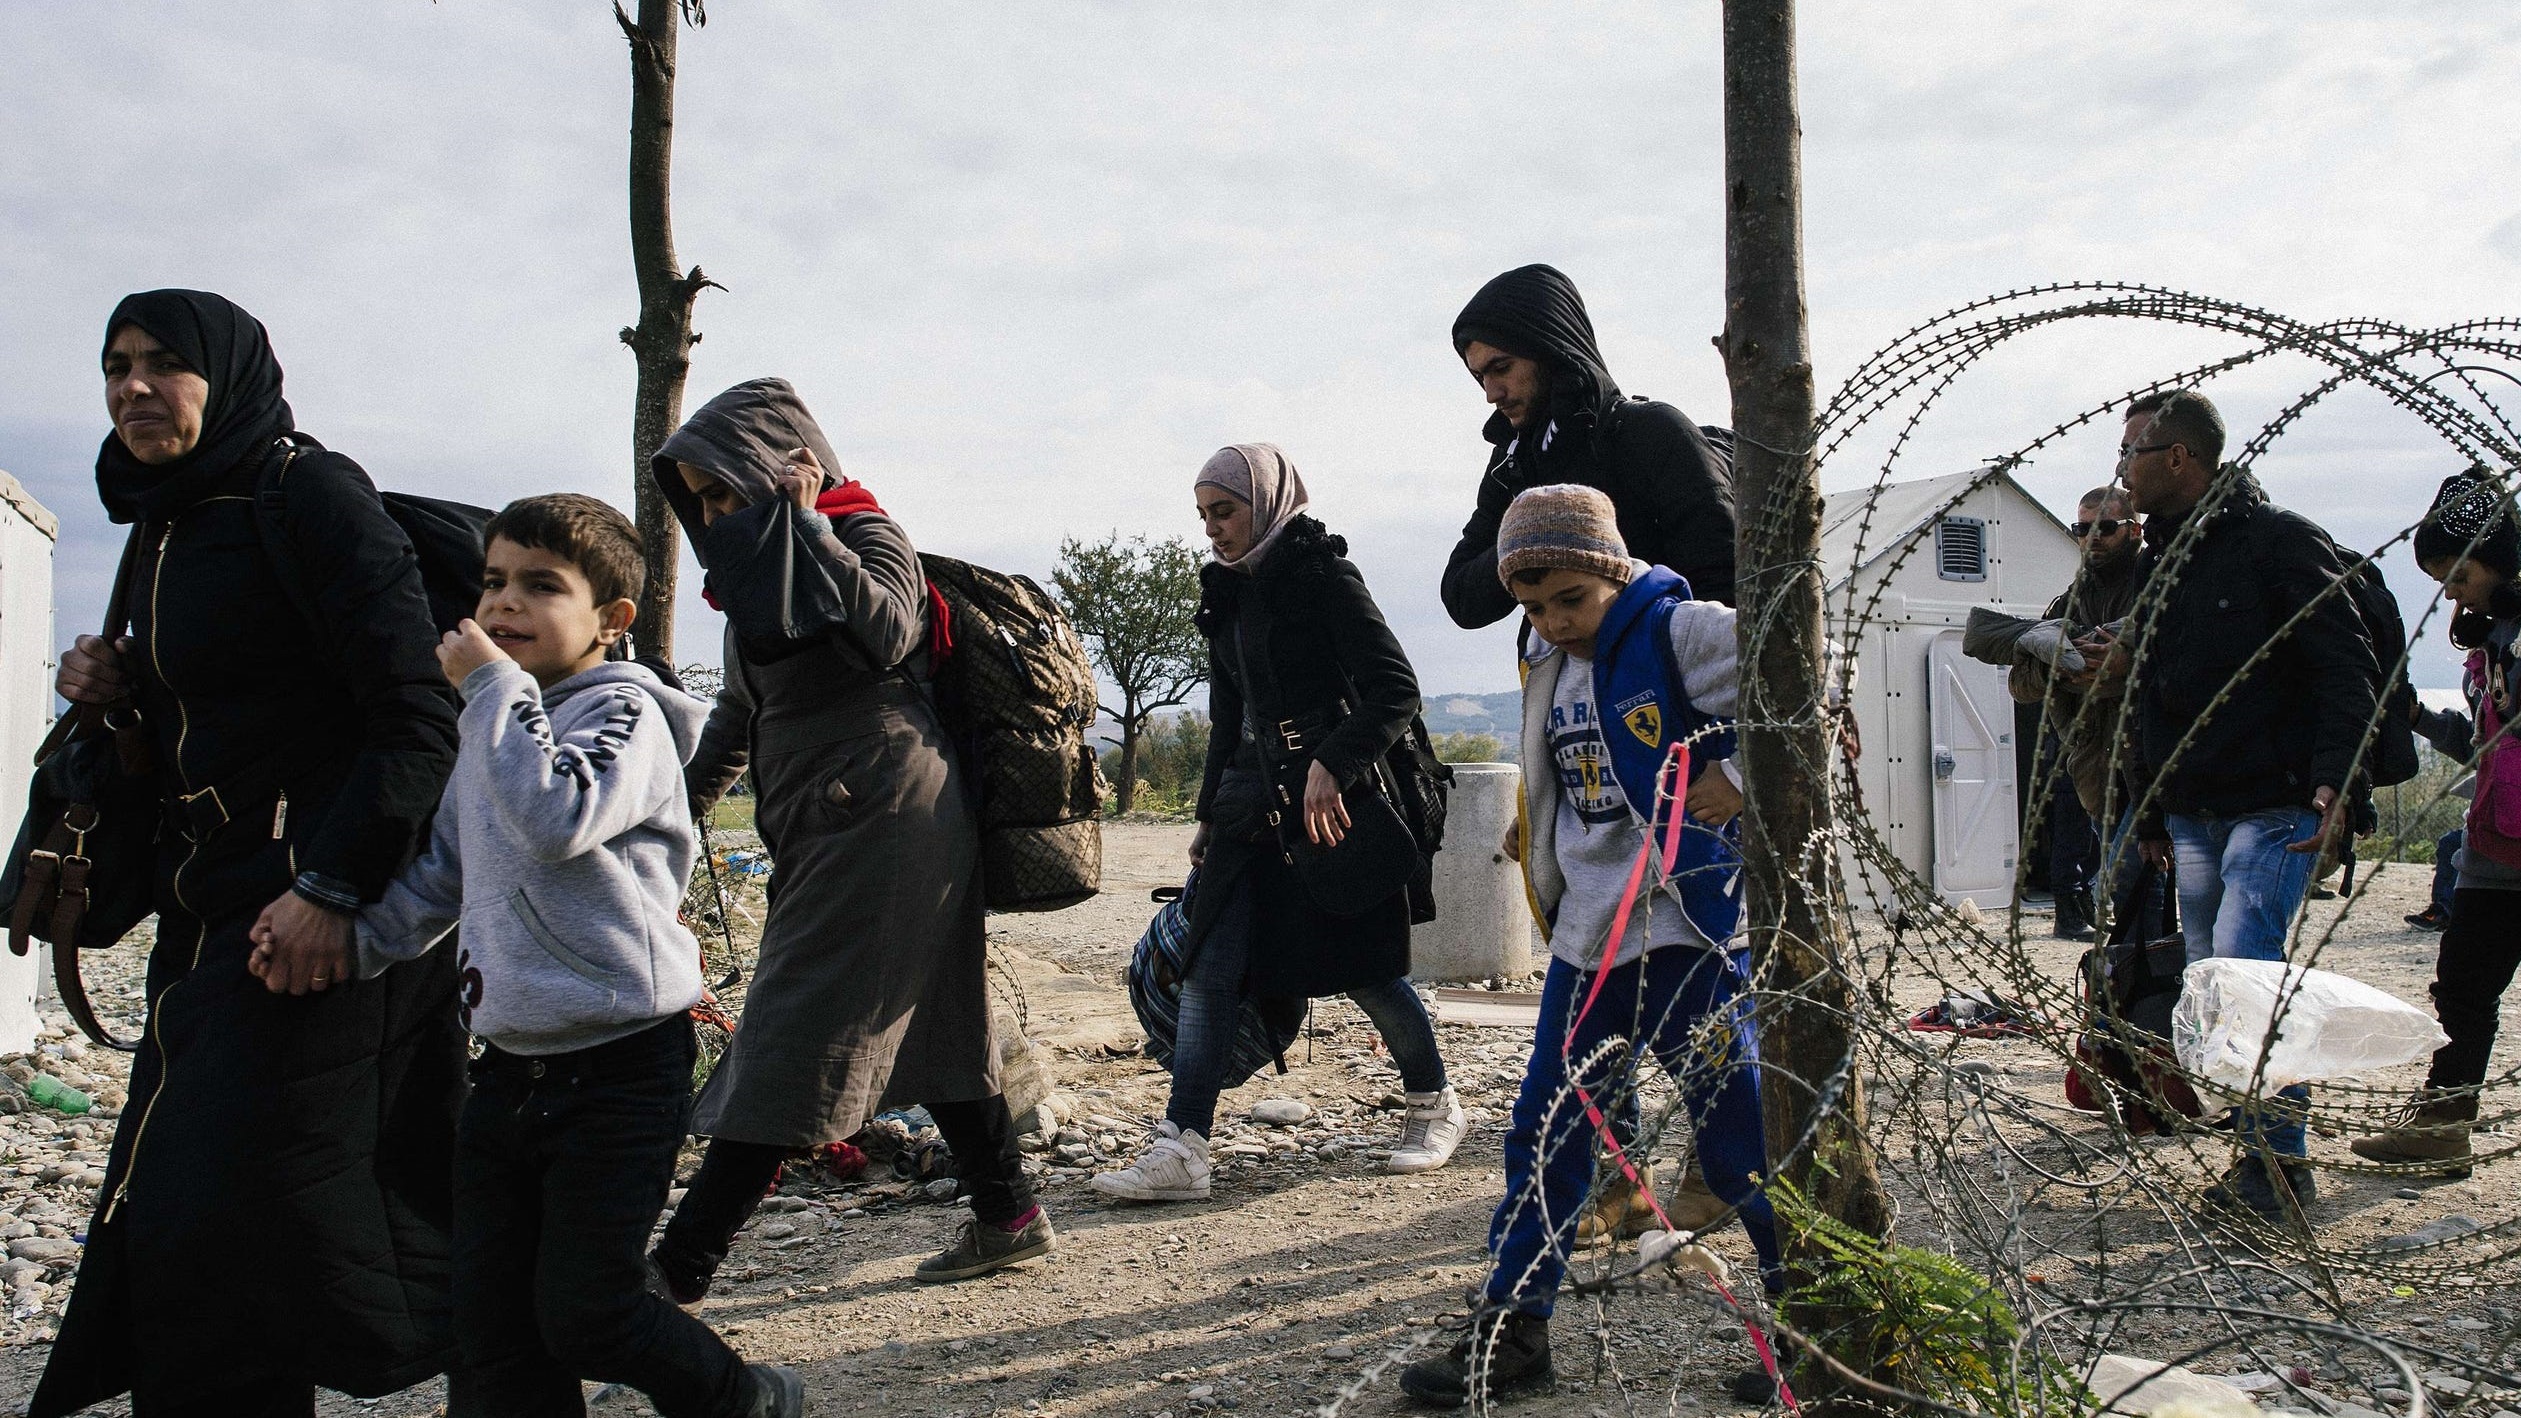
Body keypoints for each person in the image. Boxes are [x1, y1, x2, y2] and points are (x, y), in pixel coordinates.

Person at [35, 291, 469, 1417]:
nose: (134, 386)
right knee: (195, 1211)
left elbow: (416, 715)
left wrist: (330, 889)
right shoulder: (165, 520)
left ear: (225, 377)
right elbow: (205, 730)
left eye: (165, 364)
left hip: (310, 911)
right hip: (211, 906)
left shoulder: (309, 494)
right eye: (115, 365)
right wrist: (120, 699)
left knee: (231, 1207)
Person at [293, 495, 801, 1417]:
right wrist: (347, 946)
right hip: (509, 1071)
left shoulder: (625, 716)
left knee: (588, 1313)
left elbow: (557, 816)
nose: (502, 606)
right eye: (491, 582)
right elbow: (447, 871)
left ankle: (745, 1399)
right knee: (490, 1331)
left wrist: (491, 691)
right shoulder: (492, 728)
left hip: (620, 1070)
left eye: (539, 585)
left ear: (611, 620)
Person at [646, 378, 1052, 1297]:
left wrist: (810, 530)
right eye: (700, 498)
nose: (713, 512)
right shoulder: (751, 588)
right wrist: (672, 810)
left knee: (791, 1032)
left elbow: (889, 627)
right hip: (834, 822)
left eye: (725, 488)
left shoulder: (863, 529)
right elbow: (739, 719)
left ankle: (676, 1271)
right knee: (940, 1020)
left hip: (886, 812)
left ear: (781, 466)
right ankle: (1008, 1213)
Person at [1401, 486, 1781, 1409]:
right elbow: (1565, 766)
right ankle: (1513, 1332)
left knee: (1739, 1140)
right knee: (1545, 1132)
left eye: (1571, 598)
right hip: (1587, 940)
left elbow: (1815, 677)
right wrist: (1536, 830)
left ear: (1613, 572)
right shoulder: (1543, 654)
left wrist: (1735, 775)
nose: (1553, 621)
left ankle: (1820, 1320)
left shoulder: (1683, 631)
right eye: (1533, 606)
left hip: (1686, 932)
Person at [1092, 445, 1464, 1202]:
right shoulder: (1226, 591)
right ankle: (1183, 1148)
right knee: (1208, 967)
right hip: (1246, 808)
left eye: (1223, 512)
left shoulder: (1319, 574)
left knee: (1362, 967)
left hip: (1336, 812)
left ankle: (1433, 1105)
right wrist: (1205, 816)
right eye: (1202, 516)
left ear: (1264, 502)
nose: (1212, 531)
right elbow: (1228, 716)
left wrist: (1335, 762)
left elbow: (1396, 690)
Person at [2109, 388, 2380, 1223]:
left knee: (2247, 968)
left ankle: (2280, 1168)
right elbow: (2151, 696)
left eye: (2130, 455)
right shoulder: (2161, 561)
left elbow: (2345, 665)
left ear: (2178, 458)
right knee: (2214, 986)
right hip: (2191, 810)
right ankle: (2256, 1154)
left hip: (2274, 805)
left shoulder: (2275, 544)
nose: (2119, 474)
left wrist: (2338, 781)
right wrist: (2148, 809)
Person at [2352, 471, 2521, 1175]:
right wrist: (2417, 716)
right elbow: (2487, 742)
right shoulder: (2491, 643)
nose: (2452, 593)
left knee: (2466, 989)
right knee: (2460, 990)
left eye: (2458, 575)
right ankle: (2442, 1122)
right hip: (2492, 849)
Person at [1440, 264, 1737, 629]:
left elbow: (1725, 589)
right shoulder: (1513, 461)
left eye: (1501, 367)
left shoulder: (1651, 434)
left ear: (1548, 349)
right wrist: (1536, 530)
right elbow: (1462, 599)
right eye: (1479, 376)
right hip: (1563, 683)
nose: (1490, 393)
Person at [1990, 486, 2147, 938]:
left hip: (2151, 753)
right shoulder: (2070, 602)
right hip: (2091, 758)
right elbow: (2020, 684)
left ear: (2133, 530)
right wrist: (2064, 667)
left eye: (2105, 529)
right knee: (2113, 862)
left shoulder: (2157, 585)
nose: (2092, 539)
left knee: (2138, 874)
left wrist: (2120, 662)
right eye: (2082, 529)